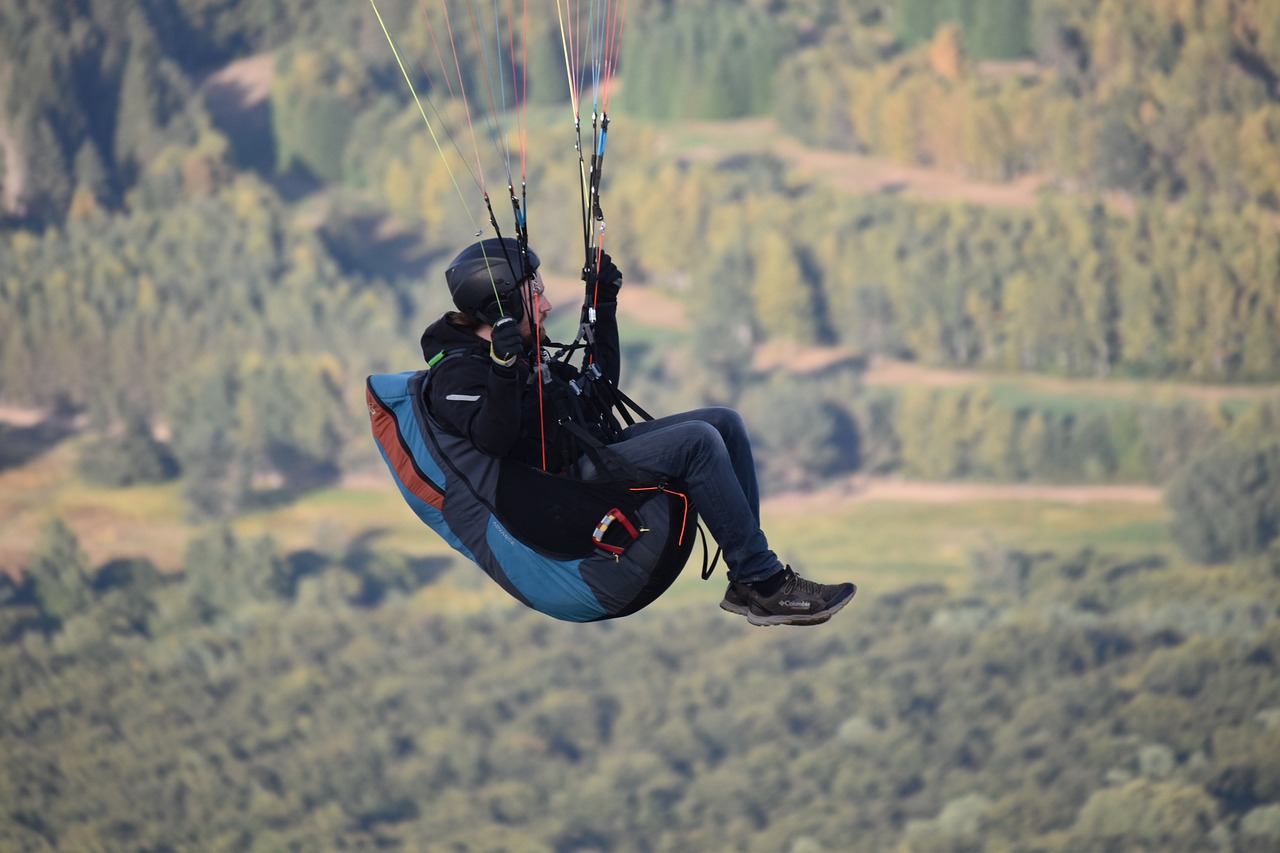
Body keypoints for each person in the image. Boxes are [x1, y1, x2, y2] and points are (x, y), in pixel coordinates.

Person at [418, 237, 856, 626]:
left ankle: (749, 578)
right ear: (501, 308)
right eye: (536, 295)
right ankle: (766, 583)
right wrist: (502, 368)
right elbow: (491, 439)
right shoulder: (456, 376)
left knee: (724, 422)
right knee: (698, 442)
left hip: (589, 451)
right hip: (562, 487)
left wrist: (603, 302)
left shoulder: (524, 350)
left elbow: (600, 391)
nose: (547, 304)